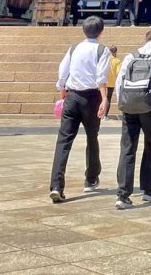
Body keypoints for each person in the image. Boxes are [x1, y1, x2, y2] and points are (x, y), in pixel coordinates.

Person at [49, 16, 111, 202]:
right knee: (92, 137)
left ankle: (56, 185)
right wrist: (105, 98)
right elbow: (101, 76)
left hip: (72, 95)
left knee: (63, 141)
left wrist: (62, 90)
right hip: (91, 97)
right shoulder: (102, 50)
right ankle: (91, 178)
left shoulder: (74, 48)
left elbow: (63, 71)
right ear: (101, 32)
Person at [114, 27, 151, 209]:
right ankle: (148, 190)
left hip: (129, 106)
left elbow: (119, 81)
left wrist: (122, 102)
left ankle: (123, 195)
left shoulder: (131, 56)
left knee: (127, 148)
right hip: (150, 107)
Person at [105, 46, 121, 119]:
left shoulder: (106, 59)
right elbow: (118, 72)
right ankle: (105, 115)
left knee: (101, 98)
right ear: (116, 51)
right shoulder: (117, 60)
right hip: (111, 82)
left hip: (103, 82)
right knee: (108, 98)